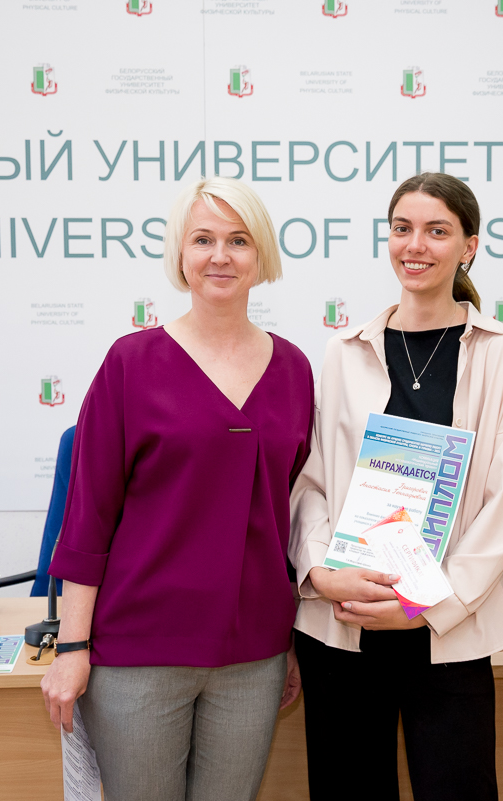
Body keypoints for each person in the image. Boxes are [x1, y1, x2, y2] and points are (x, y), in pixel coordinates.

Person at [39, 177, 313, 801]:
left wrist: (291, 642)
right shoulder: (131, 363)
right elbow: (88, 517)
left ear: (261, 253)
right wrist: (72, 647)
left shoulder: (295, 369)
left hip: (254, 654)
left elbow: (296, 519)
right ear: (180, 254)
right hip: (139, 651)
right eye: (203, 239)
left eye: (239, 240)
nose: (221, 256)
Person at [289, 172, 503, 801]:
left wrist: (429, 603)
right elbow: (311, 482)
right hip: (345, 620)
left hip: (447, 627)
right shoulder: (344, 351)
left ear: (469, 246)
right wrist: (321, 573)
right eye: (402, 228)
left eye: (437, 231)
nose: (415, 245)